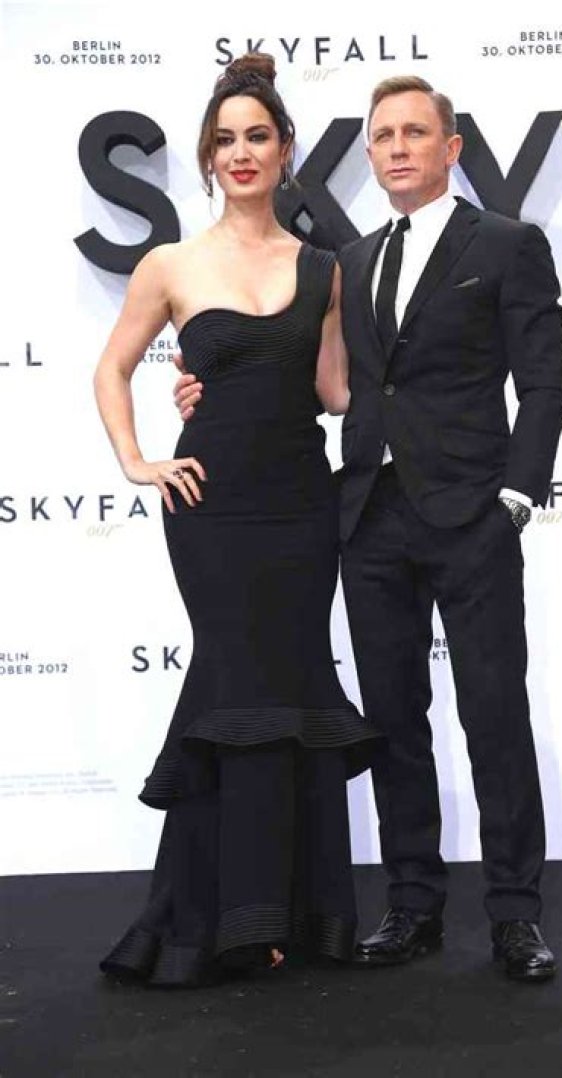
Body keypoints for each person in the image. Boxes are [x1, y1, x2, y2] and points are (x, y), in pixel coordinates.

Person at [175, 75, 562, 983]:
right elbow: (322, 382)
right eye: (383, 135)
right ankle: (413, 904)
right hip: (369, 517)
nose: (396, 147)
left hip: (471, 515)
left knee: (494, 714)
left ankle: (515, 915)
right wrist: (207, 387)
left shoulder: (506, 244)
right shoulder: (348, 262)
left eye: (414, 132)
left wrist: (516, 498)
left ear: (450, 148)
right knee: (392, 720)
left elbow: (545, 384)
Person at [93, 53, 380, 988]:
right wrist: (138, 459)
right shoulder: (171, 264)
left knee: (292, 689)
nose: (242, 152)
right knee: (234, 689)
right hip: (211, 507)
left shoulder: (325, 269)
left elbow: (334, 391)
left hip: (302, 506)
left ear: (286, 148)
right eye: (226, 140)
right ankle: (220, 916)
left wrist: (426, 390)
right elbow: (111, 368)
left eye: (258, 135)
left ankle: (284, 914)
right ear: (209, 157)